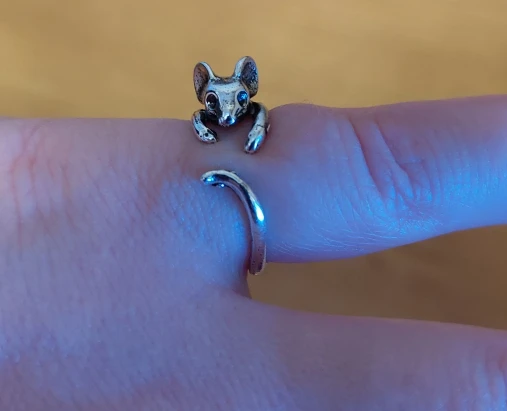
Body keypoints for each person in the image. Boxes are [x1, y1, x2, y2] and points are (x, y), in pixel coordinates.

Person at [0, 96, 506, 410]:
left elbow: (256, 118)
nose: (225, 110)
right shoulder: (208, 119)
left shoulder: (254, 117)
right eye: (214, 101)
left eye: (237, 98)